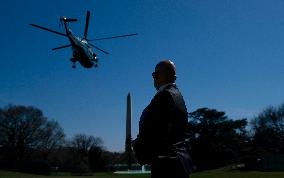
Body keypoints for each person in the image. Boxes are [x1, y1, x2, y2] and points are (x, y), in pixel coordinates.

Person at [133, 60, 192, 178]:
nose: (153, 78)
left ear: (162, 76)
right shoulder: (177, 95)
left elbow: (154, 131)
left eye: (155, 74)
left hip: (167, 164)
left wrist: (138, 146)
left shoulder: (164, 96)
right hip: (180, 162)